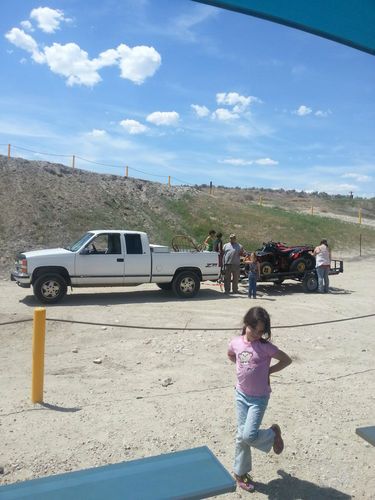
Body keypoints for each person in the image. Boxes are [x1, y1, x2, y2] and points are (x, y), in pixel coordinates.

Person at [227, 307, 292, 492]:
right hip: (241, 395)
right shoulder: (236, 343)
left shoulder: (265, 347)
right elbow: (231, 355)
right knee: (241, 437)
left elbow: (287, 360)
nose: (256, 334)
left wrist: (268, 371)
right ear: (246, 323)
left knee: (248, 435)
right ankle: (240, 473)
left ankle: (273, 433)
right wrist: (242, 367)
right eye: (254, 329)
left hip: (259, 398)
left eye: (261, 331)